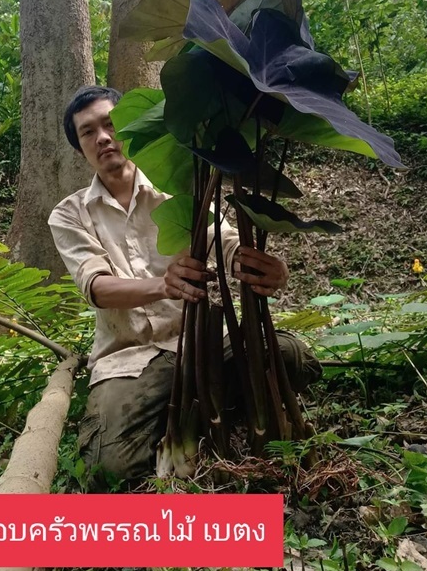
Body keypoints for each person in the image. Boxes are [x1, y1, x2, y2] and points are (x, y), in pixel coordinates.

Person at [49, 85, 321, 486]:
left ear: (132, 128)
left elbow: (225, 241)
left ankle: (194, 409)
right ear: (80, 148)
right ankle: (185, 408)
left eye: (110, 124)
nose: (103, 137)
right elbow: (97, 286)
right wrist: (164, 285)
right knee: (110, 470)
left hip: (204, 343)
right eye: (88, 132)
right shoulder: (69, 214)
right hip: (130, 359)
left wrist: (262, 266)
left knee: (295, 358)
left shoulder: (180, 187)